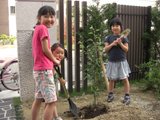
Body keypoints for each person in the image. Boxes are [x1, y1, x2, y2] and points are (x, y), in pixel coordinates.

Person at [31, 6, 61, 120]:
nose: (49, 19)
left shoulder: (37, 28)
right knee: (51, 101)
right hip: (44, 71)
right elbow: (45, 49)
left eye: (52, 16)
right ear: (39, 18)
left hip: (39, 70)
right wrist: (54, 60)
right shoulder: (43, 28)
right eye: (46, 16)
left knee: (38, 99)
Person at [104, 18, 131, 105]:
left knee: (125, 79)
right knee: (111, 79)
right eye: (113, 26)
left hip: (121, 61)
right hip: (112, 62)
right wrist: (112, 44)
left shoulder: (124, 38)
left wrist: (120, 43)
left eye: (117, 25)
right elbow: (106, 49)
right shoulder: (108, 38)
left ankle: (127, 96)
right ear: (111, 27)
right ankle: (110, 95)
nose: (115, 27)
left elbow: (126, 49)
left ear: (121, 27)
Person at [43, 43, 68, 120]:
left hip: (52, 85)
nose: (60, 55)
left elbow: (57, 74)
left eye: (62, 53)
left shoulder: (56, 63)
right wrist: (54, 66)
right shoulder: (51, 63)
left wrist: (62, 80)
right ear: (51, 52)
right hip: (48, 85)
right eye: (57, 53)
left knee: (51, 102)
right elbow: (53, 73)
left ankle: (54, 117)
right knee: (50, 102)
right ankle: (49, 117)